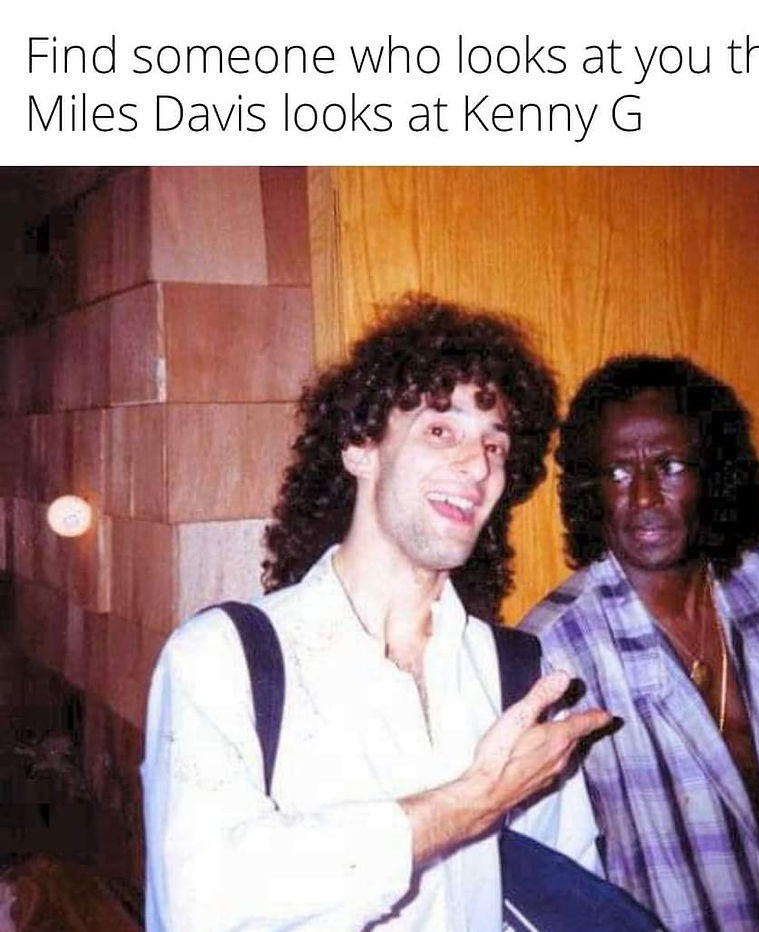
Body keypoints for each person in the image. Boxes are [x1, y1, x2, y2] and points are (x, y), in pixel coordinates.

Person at [141, 295, 611, 932]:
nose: (478, 465)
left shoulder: (516, 676)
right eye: (440, 431)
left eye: (495, 445)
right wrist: (468, 804)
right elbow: (203, 903)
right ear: (361, 448)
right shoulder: (224, 660)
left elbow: (566, 899)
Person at [522, 355, 759, 931]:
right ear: (592, 489)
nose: (644, 496)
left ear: (712, 472)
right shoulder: (553, 656)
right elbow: (556, 884)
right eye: (618, 473)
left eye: (669, 466)